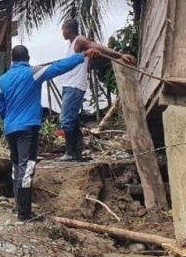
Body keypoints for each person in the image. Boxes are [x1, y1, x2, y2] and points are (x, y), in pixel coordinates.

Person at [0, 44, 98, 222]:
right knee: (26, 168)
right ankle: (24, 214)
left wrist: (8, 117)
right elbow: (59, 67)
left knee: (17, 167)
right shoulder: (33, 72)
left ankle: (19, 206)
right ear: (27, 58)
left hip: (10, 129)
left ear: (12, 59)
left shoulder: (2, 80)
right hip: (28, 128)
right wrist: (82, 56)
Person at [53, 19, 136, 161]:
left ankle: (70, 153)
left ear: (69, 29)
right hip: (69, 86)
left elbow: (96, 46)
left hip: (74, 86)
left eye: (63, 29)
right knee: (72, 120)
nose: (62, 33)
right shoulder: (71, 45)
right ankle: (76, 153)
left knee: (66, 120)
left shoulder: (79, 40)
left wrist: (119, 55)